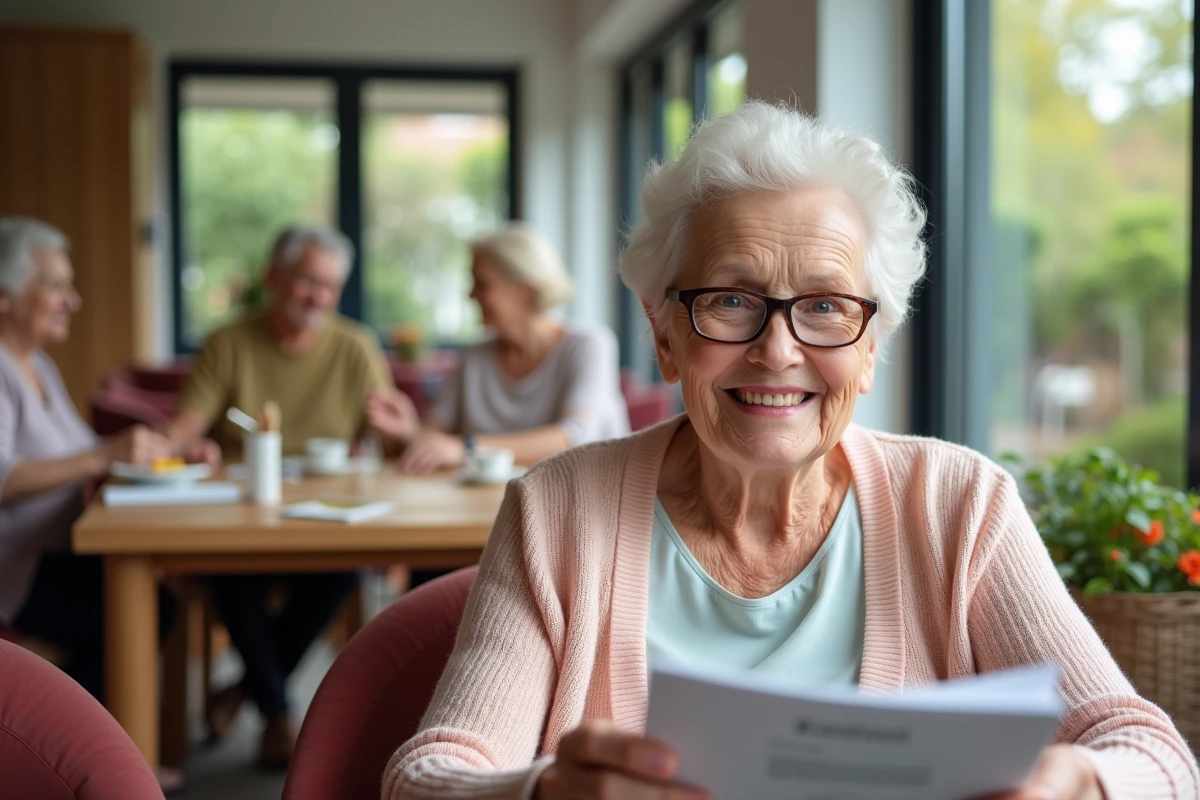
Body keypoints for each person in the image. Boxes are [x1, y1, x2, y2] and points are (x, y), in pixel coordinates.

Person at [383, 104, 1198, 799]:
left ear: (871, 346)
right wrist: (539, 791)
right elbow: (423, 775)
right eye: (731, 300)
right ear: (664, 336)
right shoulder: (555, 510)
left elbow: (1154, 753)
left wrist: (1081, 782)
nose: (778, 351)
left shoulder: (959, 505)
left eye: (826, 306)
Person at [165, 223, 394, 768]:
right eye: (306, 281)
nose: (318, 297)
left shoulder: (355, 346)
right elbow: (184, 429)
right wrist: (185, 448)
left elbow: (391, 437)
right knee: (230, 576)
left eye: (330, 286)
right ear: (273, 277)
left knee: (343, 571)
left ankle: (248, 693)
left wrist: (404, 431)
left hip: (325, 520)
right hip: (241, 517)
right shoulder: (229, 343)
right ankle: (275, 712)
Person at [0, 217, 191, 793]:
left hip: (50, 555)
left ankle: (97, 760)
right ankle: (77, 762)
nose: (72, 301)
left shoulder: (37, 364)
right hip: (14, 571)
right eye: (56, 286)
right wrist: (106, 453)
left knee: (151, 600)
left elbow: (91, 453)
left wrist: (170, 453)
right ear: (4, 296)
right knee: (140, 608)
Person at [367, 224, 629, 475]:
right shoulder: (473, 358)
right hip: (494, 508)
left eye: (481, 284)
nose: (470, 296)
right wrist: (410, 430)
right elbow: (438, 439)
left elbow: (574, 437)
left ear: (524, 290)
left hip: (584, 509)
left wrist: (467, 449)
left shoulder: (588, 345)